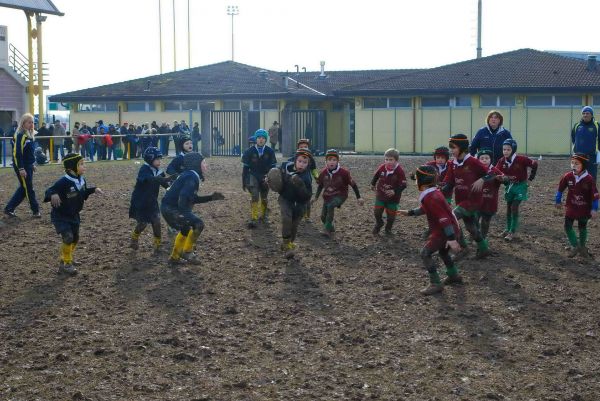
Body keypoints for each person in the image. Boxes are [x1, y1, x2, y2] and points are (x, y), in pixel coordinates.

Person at [398, 165, 463, 295]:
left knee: (425, 253)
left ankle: (436, 283)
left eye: (417, 178)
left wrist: (451, 239)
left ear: (422, 180)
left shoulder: (431, 197)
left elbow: (443, 218)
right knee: (443, 253)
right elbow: (425, 209)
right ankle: (453, 275)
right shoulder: (433, 192)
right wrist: (410, 212)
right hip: (450, 229)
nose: (415, 180)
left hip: (444, 232)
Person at [441, 134, 500, 259]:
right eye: (450, 147)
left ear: (462, 148)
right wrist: (439, 188)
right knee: (471, 228)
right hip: (461, 200)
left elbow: (491, 174)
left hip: (473, 201)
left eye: (453, 147)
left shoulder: (473, 161)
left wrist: (483, 179)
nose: (451, 150)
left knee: (452, 218)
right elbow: (449, 183)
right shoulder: (453, 164)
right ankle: (484, 249)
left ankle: (463, 248)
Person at [161, 152, 225, 265]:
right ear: (196, 164)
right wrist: (185, 214)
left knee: (186, 228)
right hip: (172, 209)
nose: (206, 165)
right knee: (198, 224)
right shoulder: (192, 176)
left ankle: (174, 257)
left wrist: (210, 198)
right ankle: (187, 251)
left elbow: (191, 198)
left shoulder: (189, 174)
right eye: (204, 162)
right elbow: (184, 198)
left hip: (167, 208)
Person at [44, 153, 102, 275]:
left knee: (75, 238)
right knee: (68, 237)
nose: (84, 166)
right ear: (71, 168)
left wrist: (93, 190)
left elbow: (83, 193)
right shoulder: (64, 181)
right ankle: (67, 263)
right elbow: (50, 190)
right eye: (81, 164)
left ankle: (66, 258)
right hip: (61, 216)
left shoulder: (81, 180)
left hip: (74, 215)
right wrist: (53, 194)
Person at [271, 149, 313, 257]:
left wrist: (300, 185)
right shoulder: (286, 167)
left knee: (294, 226)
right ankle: (287, 246)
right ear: (295, 161)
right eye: (299, 161)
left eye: (305, 162)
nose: (301, 164)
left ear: (308, 164)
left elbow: (307, 196)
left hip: (300, 204)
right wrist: (269, 179)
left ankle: (290, 242)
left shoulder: (306, 178)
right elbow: (275, 174)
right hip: (285, 199)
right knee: (286, 219)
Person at [129, 147, 172, 254]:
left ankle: (157, 245)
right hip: (140, 201)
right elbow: (147, 179)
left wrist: (170, 189)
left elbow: (165, 184)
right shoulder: (144, 169)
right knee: (143, 223)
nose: (159, 161)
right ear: (150, 159)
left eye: (160, 159)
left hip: (152, 201)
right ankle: (134, 237)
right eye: (157, 159)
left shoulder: (159, 171)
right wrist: (160, 179)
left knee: (157, 221)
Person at [555, 153, 599, 258]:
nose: (573, 165)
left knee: (582, 227)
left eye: (577, 164)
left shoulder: (589, 179)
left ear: (584, 165)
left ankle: (582, 246)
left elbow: (595, 195)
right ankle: (576, 246)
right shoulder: (568, 176)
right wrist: (557, 200)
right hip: (571, 206)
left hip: (584, 209)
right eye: (572, 163)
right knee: (567, 226)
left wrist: (594, 208)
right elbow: (560, 189)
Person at [313, 149, 364, 238]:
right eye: (329, 160)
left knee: (331, 205)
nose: (331, 162)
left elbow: (353, 185)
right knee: (323, 217)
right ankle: (331, 228)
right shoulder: (323, 173)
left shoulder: (344, 173)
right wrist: (316, 197)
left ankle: (327, 230)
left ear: (337, 161)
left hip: (340, 195)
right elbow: (320, 185)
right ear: (326, 161)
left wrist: (359, 197)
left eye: (334, 160)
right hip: (327, 196)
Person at [495, 138, 538, 241]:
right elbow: (496, 171)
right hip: (509, 186)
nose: (505, 151)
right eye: (504, 149)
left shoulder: (521, 159)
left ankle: (512, 231)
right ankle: (507, 228)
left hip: (520, 186)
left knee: (514, 207)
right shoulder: (501, 161)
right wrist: (500, 178)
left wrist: (530, 179)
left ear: (513, 149)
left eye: (508, 149)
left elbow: (534, 164)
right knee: (508, 208)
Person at [4, 113, 41, 218]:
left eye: (32, 122)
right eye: (29, 122)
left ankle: (9, 208)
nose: (31, 124)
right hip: (22, 166)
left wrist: (32, 164)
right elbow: (17, 153)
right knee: (28, 188)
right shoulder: (20, 135)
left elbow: (29, 152)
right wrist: (21, 168)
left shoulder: (29, 134)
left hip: (28, 165)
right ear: (23, 123)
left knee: (24, 188)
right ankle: (35, 210)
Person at [241, 129, 277, 228]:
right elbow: (245, 168)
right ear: (255, 139)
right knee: (255, 195)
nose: (261, 140)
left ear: (266, 140)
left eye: (263, 138)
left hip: (265, 176)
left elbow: (273, 168)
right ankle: (254, 217)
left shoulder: (270, 151)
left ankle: (264, 215)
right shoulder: (249, 151)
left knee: (264, 197)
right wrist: (243, 181)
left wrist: (270, 178)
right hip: (253, 175)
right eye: (259, 138)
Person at [370, 148, 407, 235]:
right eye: (386, 159)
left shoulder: (399, 171)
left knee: (391, 216)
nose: (388, 162)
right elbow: (376, 175)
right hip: (381, 194)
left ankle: (388, 229)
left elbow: (404, 185)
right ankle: (379, 223)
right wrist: (372, 184)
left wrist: (394, 191)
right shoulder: (382, 167)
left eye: (391, 160)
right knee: (377, 212)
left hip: (393, 198)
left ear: (396, 160)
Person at [287, 138, 318, 220]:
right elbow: (287, 164)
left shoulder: (310, 159)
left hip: (306, 181)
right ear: (298, 148)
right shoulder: (295, 158)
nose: (303, 148)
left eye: (305, 147)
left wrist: (316, 177)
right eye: (301, 147)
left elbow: (314, 169)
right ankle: (295, 214)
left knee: (307, 199)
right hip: (295, 180)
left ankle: (307, 216)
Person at [476, 149, 502, 239]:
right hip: (476, 201)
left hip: (490, 202)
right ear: (478, 160)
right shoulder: (476, 170)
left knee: (485, 221)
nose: (484, 160)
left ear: (491, 159)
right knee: (474, 220)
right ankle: (473, 236)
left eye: (487, 158)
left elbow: (504, 179)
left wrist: (502, 179)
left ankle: (483, 237)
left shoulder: (495, 171)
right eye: (482, 158)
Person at [571, 106, 600, 181]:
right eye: (583, 113)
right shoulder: (577, 125)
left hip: (592, 156)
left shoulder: (597, 125)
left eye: (587, 113)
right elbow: (574, 139)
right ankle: (578, 192)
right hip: (578, 156)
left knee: (591, 177)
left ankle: (591, 192)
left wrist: (598, 153)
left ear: (592, 115)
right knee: (577, 177)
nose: (585, 115)